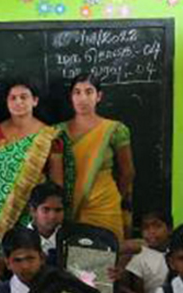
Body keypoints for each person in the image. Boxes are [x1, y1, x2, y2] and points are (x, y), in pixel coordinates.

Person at [0, 79, 62, 240]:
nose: (18, 102)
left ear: (35, 101)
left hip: (35, 215)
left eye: (24, 97)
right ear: (7, 102)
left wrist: (50, 218)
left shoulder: (49, 136)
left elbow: (56, 184)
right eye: (13, 98)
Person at [57, 73, 135, 242]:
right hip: (68, 209)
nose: (82, 98)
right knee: (74, 262)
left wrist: (115, 198)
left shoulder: (114, 130)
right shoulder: (57, 132)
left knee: (106, 260)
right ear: (70, 97)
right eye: (77, 92)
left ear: (98, 96)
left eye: (89, 92)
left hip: (104, 206)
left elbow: (127, 171)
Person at [26, 182, 66, 266]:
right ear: (33, 211)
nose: (52, 216)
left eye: (58, 210)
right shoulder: (19, 240)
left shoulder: (70, 238)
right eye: (46, 210)